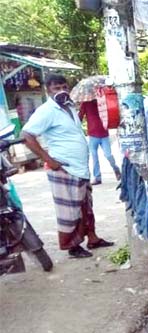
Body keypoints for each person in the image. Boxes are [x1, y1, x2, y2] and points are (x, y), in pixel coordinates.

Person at [21, 74, 114, 259]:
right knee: (70, 210)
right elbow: (27, 135)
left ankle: (93, 238)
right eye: (56, 88)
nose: (61, 91)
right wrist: (49, 160)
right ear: (48, 90)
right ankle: (72, 246)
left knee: (86, 205)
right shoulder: (47, 111)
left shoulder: (70, 107)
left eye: (64, 87)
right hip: (64, 168)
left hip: (79, 168)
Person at [78, 99, 121, 185]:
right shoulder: (85, 103)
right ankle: (97, 177)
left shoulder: (103, 101)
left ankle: (116, 169)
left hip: (104, 133)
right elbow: (80, 117)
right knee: (94, 157)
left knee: (108, 155)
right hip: (92, 134)